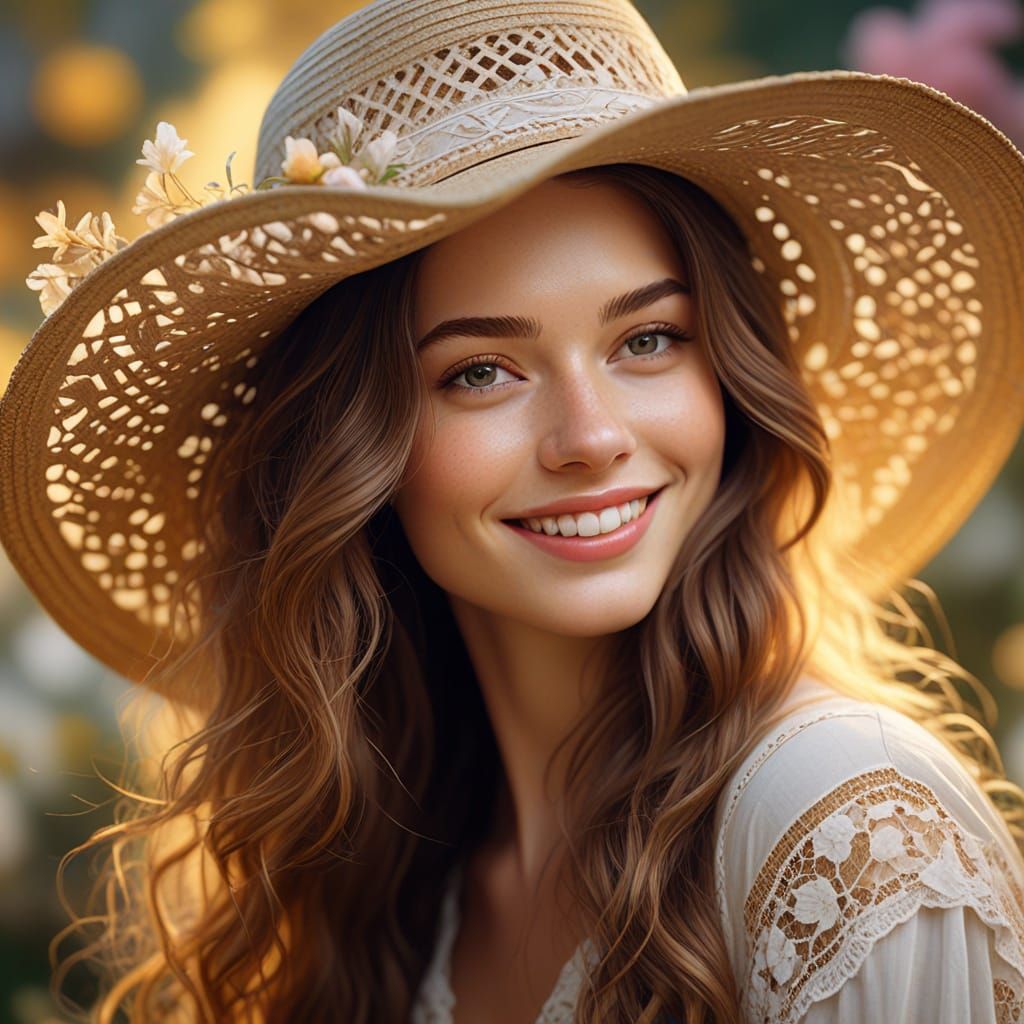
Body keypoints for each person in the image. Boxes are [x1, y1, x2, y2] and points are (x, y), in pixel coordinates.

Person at [1, 0, 1023, 1021]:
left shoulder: (848, 825)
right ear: (353, 453)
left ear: (729, 373)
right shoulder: (396, 884)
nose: (590, 435)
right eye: (481, 370)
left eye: (648, 338)